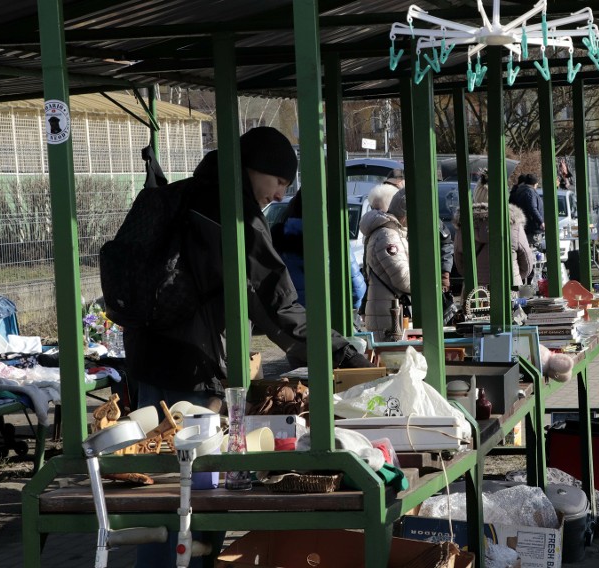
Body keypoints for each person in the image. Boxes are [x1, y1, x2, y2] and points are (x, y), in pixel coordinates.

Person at [122, 126, 370, 567]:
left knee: (158, 483)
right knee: (196, 491)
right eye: (279, 183)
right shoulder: (233, 210)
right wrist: (339, 351)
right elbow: (278, 306)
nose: (278, 194)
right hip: (189, 365)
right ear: (260, 169)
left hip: (146, 356)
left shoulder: (186, 193)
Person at [271, 190, 367, 310]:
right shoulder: (334, 240)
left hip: (288, 320)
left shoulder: (275, 239)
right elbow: (356, 289)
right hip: (328, 319)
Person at [453, 175, 534, 290]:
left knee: (478, 308)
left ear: (476, 195)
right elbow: (526, 259)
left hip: (476, 289)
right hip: (508, 285)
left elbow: (459, 261)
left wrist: (473, 276)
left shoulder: (464, 224)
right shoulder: (513, 223)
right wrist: (516, 276)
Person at [360, 189, 410, 333]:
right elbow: (403, 278)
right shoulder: (388, 235)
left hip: (386, 310)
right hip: (389, 315)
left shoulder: (387, 233)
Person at [508, 172, 545, 245]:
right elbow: (532, 208)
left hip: (526, 226)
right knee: (532, 248)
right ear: (534, 184)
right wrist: (540, 221)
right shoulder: (529, 192)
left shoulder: (519, 191)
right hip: (531, 227)